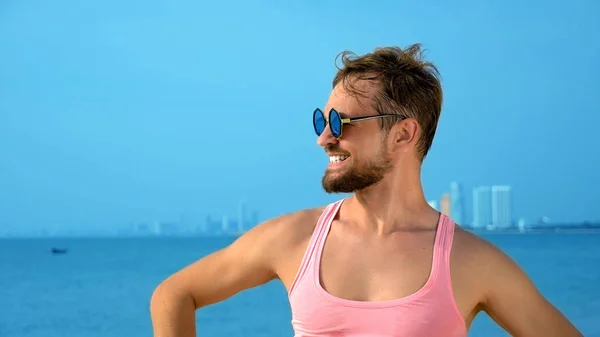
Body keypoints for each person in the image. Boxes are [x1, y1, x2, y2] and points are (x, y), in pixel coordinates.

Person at [150, 44, 582, 337]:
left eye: (341, 124)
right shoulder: (293, 239)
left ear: (402, 134)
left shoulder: (472, 262)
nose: (324, 138)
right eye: (322, 121)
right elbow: (174, 294)